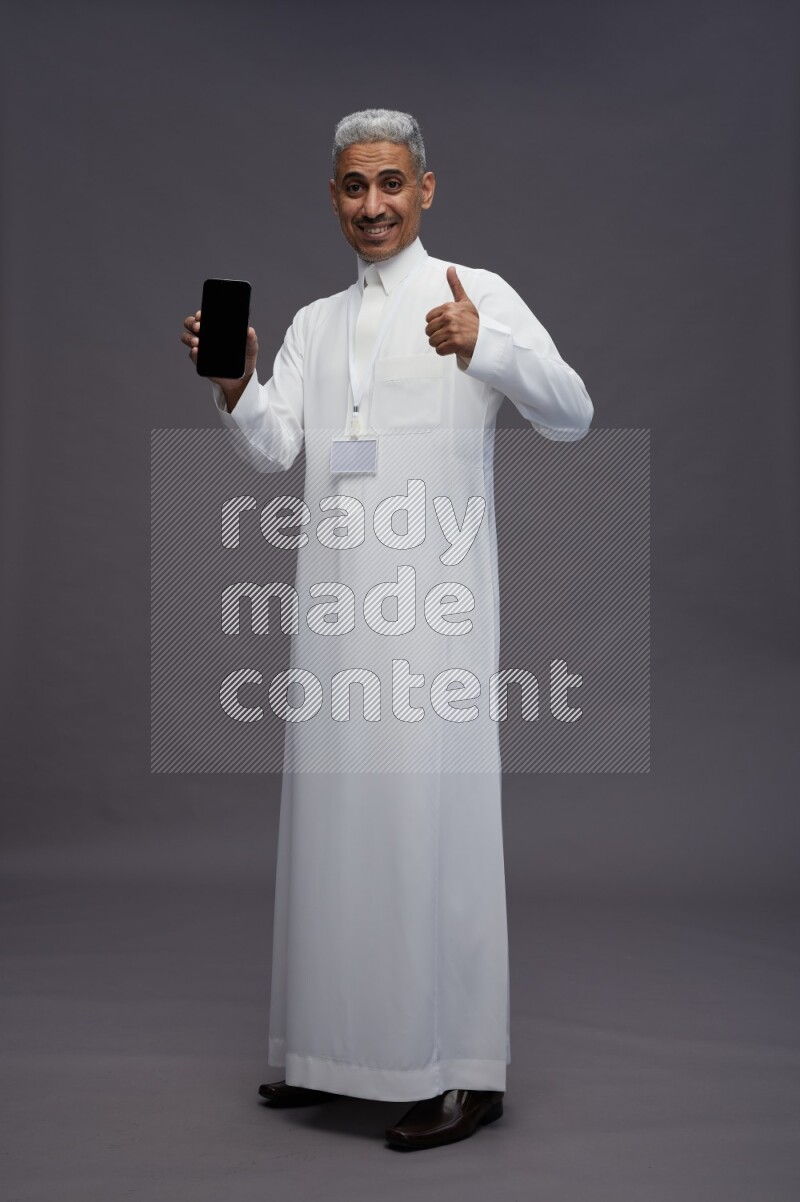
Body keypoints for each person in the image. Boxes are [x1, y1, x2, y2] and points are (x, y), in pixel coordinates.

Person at [181, 109, 593, 1151]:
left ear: (425, 189)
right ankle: (330, 1052)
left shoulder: (476, 293)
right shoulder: (319, 322)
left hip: (435, 615)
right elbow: (274, 450)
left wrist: (486, 349)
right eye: (353, 186)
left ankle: (462, 1068)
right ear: (332, 196)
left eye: (391, 184)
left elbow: (572, 411)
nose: (373, 204)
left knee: (431, 828)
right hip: (331, 614)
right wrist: (234, 380)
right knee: (334, 828)